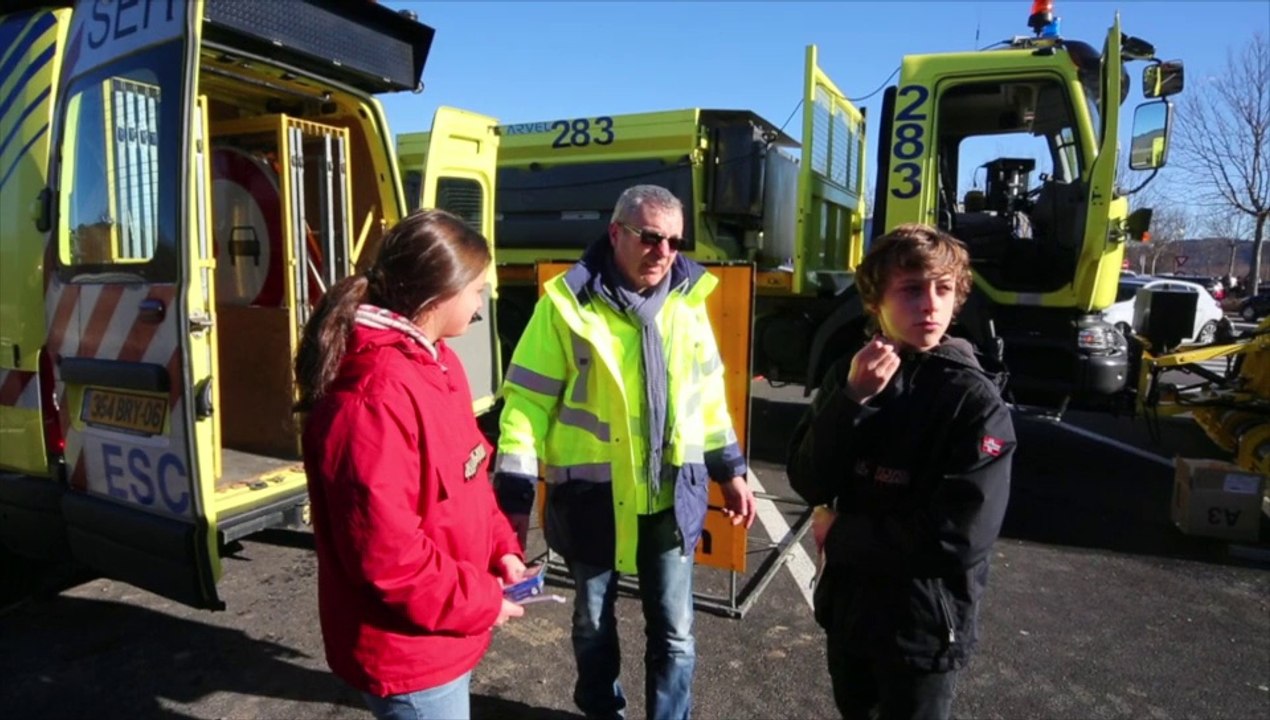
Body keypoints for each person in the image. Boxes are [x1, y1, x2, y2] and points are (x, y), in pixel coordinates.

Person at [492, 184, 757, 720]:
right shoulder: (565, 307)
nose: (664, 252)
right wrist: (513, 502)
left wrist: (731, 470)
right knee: (592, 624)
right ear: (615, 233)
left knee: (675, 632)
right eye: (651, 237)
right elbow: (525, 406)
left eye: (675, 241)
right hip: (591, 500)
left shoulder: (688, 303)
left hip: (669, 500)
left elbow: (707, 399)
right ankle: (601, 711)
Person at [295, 210, 527, 720]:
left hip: (442, 630)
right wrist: (483, 600)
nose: (483, 303)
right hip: (409, 654)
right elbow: (389, 559)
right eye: (478, 290)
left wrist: (503, 550)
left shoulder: (437, 363)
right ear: (439, 294)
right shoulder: (374, 398)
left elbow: (469, 478)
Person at [786, 224, 1014, 720]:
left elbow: (959, 537)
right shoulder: (850, 374)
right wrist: (852, 400)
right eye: (912, 289)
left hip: (922, 632)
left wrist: (840, 534)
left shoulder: (973, 400)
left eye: (943, 289)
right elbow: (809, 480)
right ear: (875, 301)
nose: (930, 305)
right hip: (849, 618)